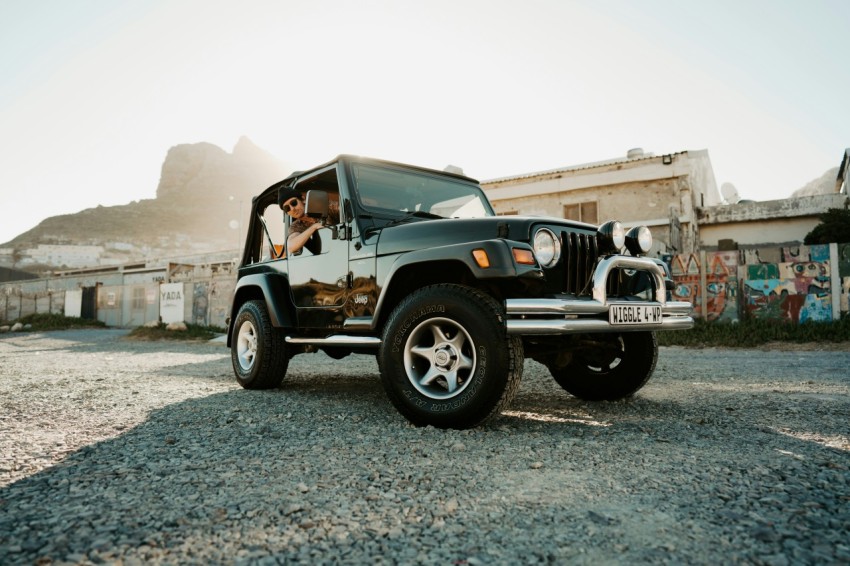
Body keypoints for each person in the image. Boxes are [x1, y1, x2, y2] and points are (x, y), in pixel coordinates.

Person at [278, 187, 340, 256]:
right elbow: (291, 247)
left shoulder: (323, 207)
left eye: (294, 203)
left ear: (303, 199)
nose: (292, 209)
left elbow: (347, 210)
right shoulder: (296, 226)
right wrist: (314, 227)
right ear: (287, 213)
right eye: (287, 208)